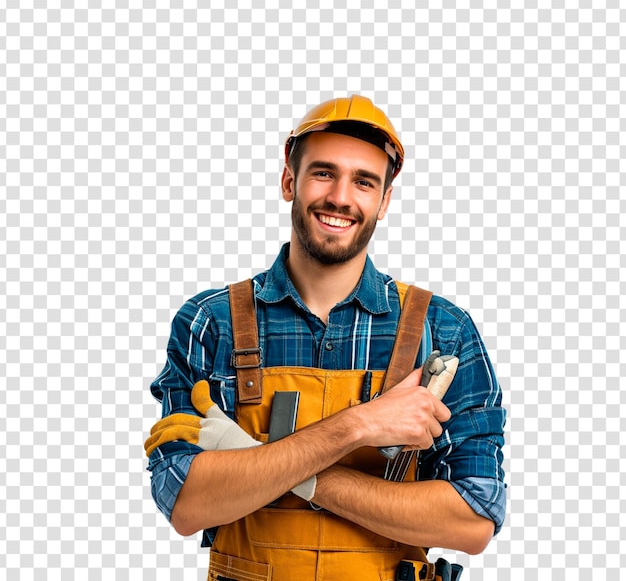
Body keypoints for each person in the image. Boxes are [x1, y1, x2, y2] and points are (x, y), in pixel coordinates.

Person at [145, 95, 506, 581]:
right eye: (323, 173)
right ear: (288, 181)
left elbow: (473, 519)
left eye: (364, 181)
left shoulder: (442, 331)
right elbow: (186, 504)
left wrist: (260, 464)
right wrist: (357, 426)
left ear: (384, 200)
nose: (340, 196)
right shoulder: (213, 322)